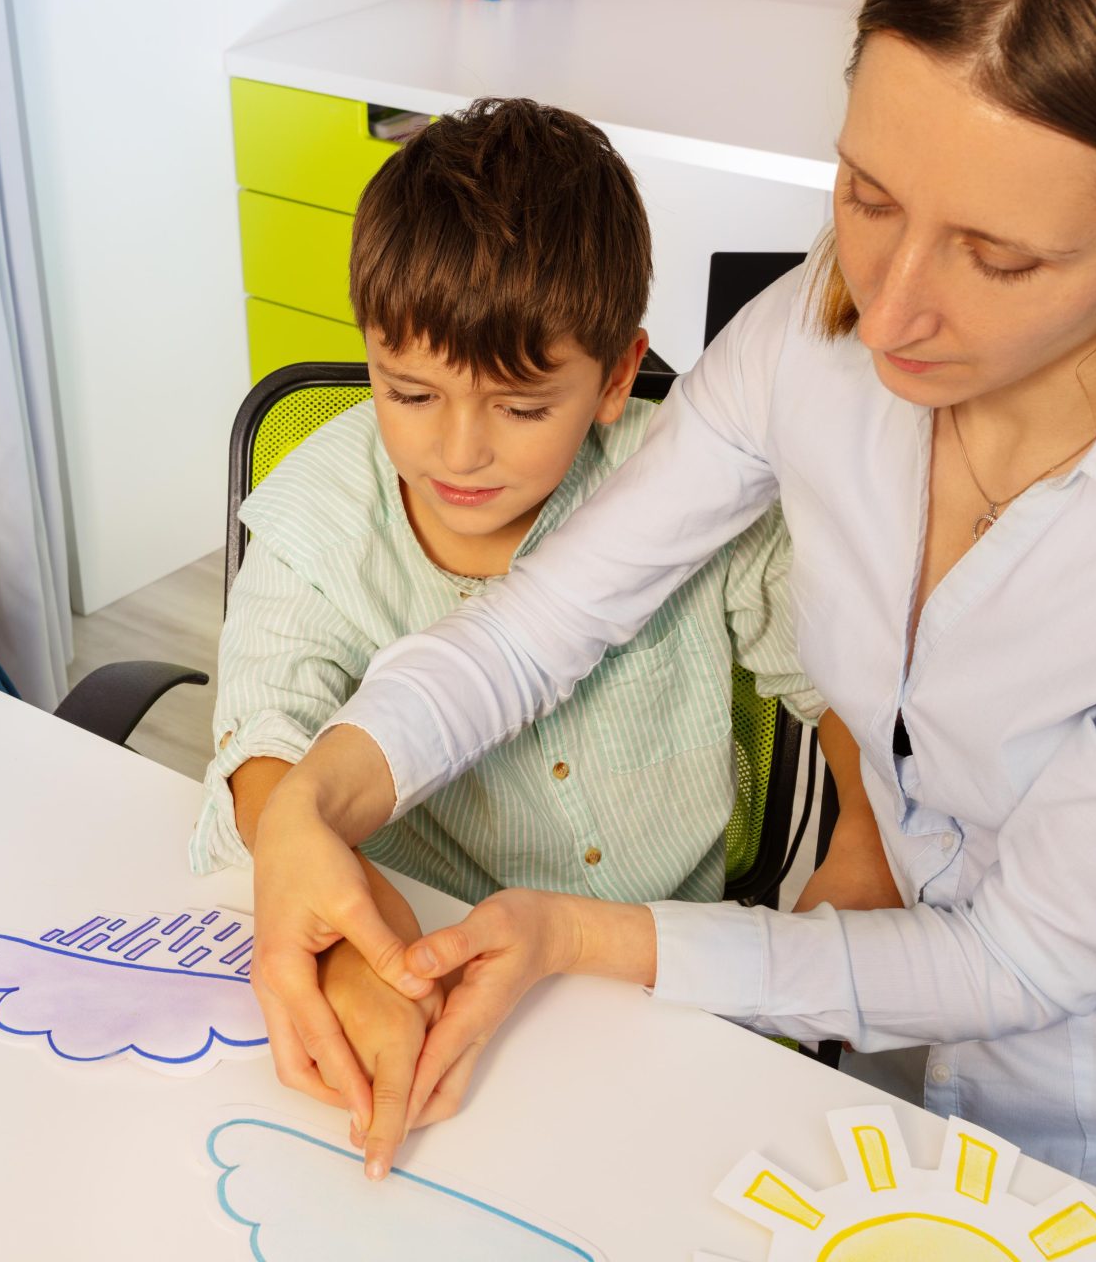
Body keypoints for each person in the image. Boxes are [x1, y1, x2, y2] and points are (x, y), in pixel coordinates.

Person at [249, 0, 1096, 1243]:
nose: (882, 313)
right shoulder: (808, 343)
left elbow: (1020, 962)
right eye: (867, 196)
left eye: (999, 257)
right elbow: (539, 620)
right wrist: (316, 800)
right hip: (924, 1089)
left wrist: (584, 935)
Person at [196, 98, 878, 1164]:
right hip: (420, 954)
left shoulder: (691, 484)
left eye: (519, 407)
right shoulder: (321, 509)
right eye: (409, 390)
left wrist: (868, 842)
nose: (458, 450)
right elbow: (260, 733)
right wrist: (345, 934)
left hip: (651, 976)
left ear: (615, 376)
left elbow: (841, 681)